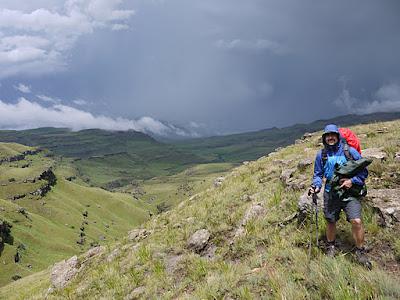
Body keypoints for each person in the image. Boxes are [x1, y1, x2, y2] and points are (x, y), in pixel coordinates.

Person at [309, 124, 371, 268]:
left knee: (356, 220)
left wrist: (352, 181)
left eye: (333, 135)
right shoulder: (321, 155)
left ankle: (360, 251)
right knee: (331, 221)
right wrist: (316, 186)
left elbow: (363, 171)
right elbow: (318, 174)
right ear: (324, 138)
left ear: (338, 136)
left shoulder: (350, 151)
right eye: (327, 136)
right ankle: (331, 246)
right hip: (331, 193)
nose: (330, 138)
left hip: (349, 193)